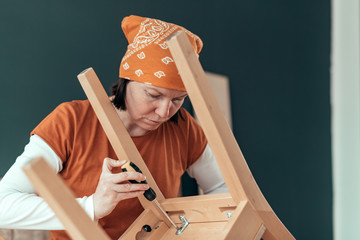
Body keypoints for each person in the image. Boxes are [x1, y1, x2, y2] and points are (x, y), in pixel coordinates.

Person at [0, 15, 227, 239]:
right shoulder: (71, 120)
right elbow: (4, 204)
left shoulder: (184, 127)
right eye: (153, 95)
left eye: (178, 100)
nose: (164, 112)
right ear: (126, 82)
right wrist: (92, 206)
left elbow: (223, 190)